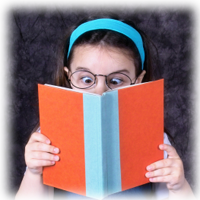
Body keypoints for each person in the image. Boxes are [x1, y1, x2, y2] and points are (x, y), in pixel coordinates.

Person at [15, 15, 196, 200]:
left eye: (116, 80)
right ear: (69, 78)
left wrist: (178, 188)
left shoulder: (154, 139)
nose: (99, 90)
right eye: (86, 79)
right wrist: (33, 172)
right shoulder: (49, 135)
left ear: (138, 81)